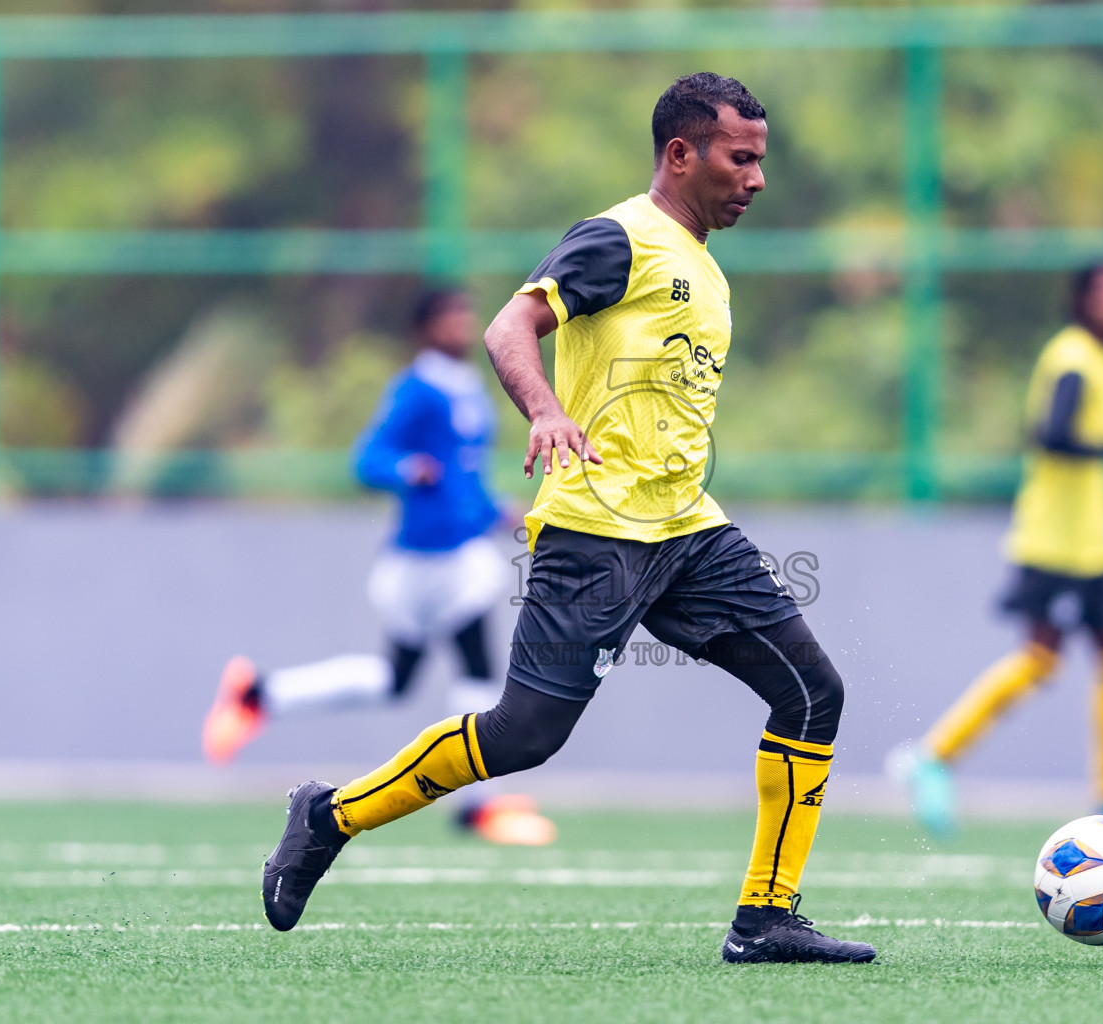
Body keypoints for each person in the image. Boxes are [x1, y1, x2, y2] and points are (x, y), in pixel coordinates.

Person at [258, 72, 875, 965]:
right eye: (741, 159)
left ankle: (766, 917)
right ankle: (327, 815)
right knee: (525, 735)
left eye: (760, 161)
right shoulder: (619, 237)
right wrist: (546, 410)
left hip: (690, 533)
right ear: (681, 153)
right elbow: (510, 328)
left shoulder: (705, 267)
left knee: (813, 691)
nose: (757, 179)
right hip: (596, 533)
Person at [201, 288, 556, 846]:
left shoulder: (466, 386)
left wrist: (496, 511)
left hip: (456, 554)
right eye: (449, 318)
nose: (462, 326)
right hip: (428, 562)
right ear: (423, 329)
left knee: (398, 679)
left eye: (467, 315)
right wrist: (405, 469)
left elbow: (463, 475)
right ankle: (478, 809)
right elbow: (368, 458)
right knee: (477, 672)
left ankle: (260, 695)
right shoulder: (416, 388)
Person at [890, 263, 1103, 838]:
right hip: (1054, 541)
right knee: (1039, 660)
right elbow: (1051, 437)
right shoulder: (1074, 359)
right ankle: (932, 758)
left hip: (1092, 544)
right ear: (1079, 301)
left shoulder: (1101, 361)